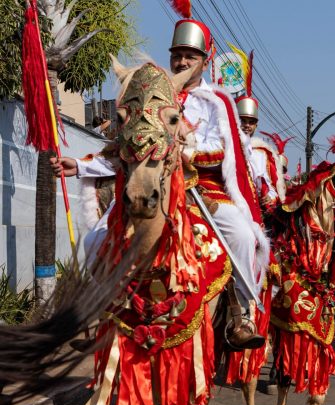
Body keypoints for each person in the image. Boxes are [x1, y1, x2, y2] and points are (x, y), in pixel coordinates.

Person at [51, 19, 266, 349]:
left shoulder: (216, 102)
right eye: (177, 55)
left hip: (199, 186)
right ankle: (99, 314)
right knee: (93, 241)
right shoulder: (151, 91)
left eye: (190, 56)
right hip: (151, 179)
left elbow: (225, 151)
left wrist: (186, 149)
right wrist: (80, 165)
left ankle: (242, 315)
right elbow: (127, 144)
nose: (182, 61)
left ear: (205, 61)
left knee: (241, 235)